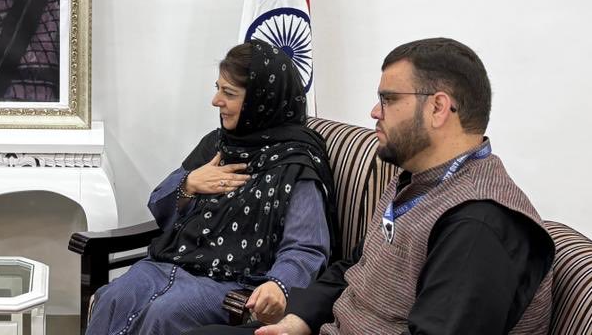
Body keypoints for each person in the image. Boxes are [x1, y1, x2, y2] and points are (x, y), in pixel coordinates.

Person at [187, 38, 555, 335]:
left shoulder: (479, 224)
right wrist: (298, 320)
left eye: (388, 99)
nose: (375, 112)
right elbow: (354, 267)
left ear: (438, 108)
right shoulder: (416, 180)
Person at [86, 40, 338, 335]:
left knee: (164, 315)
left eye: (229, 93)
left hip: (235, 283)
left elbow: (306, 247)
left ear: (261, 100)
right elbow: (159, 203)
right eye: (218, 88)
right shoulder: (218, 143)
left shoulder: (295, 164)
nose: (216, 100)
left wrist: (279, 284)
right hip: (170, 264)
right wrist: (189, 184)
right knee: (114, 298)